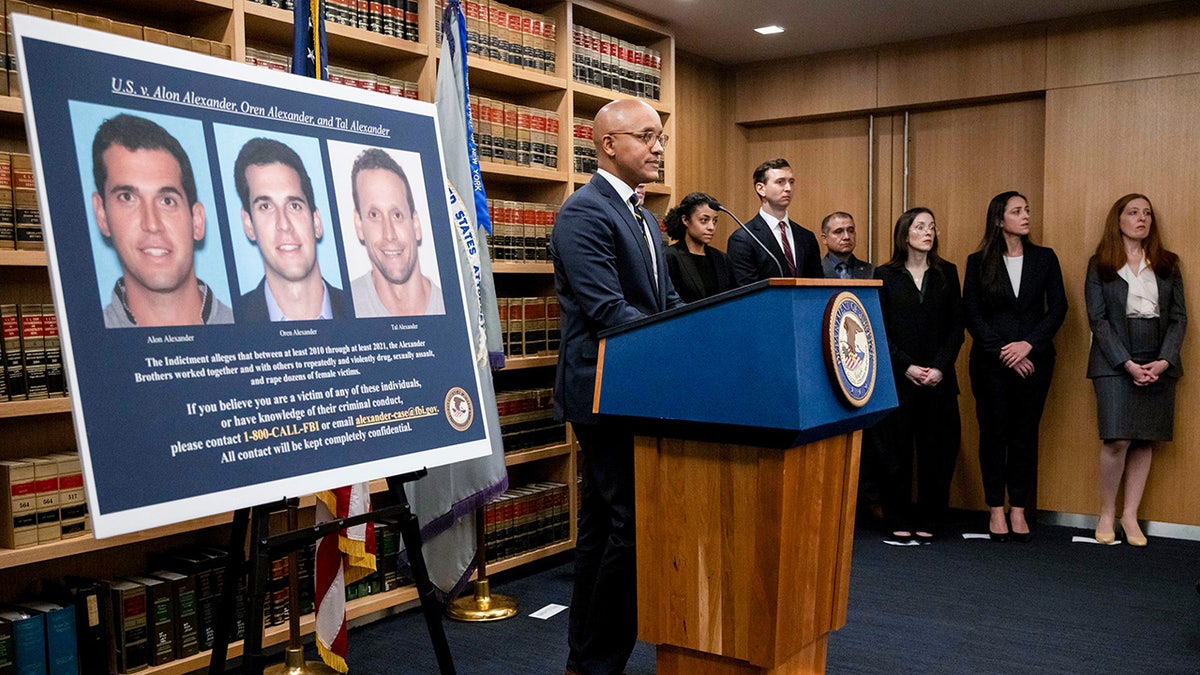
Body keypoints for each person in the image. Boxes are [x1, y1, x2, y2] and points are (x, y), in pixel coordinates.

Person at [549, 98, 681, 675]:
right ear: (608, 143)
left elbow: (663, 301)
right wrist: (678, 335)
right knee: (629, 526)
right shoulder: (584, 212)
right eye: (647, 137)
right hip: (602, 390)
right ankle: (600, 661)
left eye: (661, 138)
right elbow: (609, 311)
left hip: (637, 386)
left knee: (605, 529)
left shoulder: (645, 217)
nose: (658, 148)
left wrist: (700, 328)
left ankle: (587, 660)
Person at [963, 191, 1067, 542]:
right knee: (993, 434)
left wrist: (1028, 346)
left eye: (1027, 210)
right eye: (1017, 211)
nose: (1025, 216)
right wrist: (1006, 352)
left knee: (1024, 434)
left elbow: (1058, 308)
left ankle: (1018, 508)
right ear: (998, 219)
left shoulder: (1045, 258)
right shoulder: (978, 262)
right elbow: (972, 315)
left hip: (1035, 361)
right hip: (991, 363)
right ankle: (995, 509)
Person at [1085, 193, 1185, 547]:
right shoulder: (1100, 264)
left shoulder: (1168, 263)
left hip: (1158, 354)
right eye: (1133, 212)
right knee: (1118, 438)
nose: (1141, 219)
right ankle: (1107, 512)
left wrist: (1164, 360)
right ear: (1119, 220)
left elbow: (1178, 318)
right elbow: (1097, 319)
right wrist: (1126, 362)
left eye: (1147, 213)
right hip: (1114, 358)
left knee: (1144, 439)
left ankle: (1130, 515)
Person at [873, 207, 963, 543]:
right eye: (921, 226)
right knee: (894, 454)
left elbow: (957, 327)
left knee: (937, 452)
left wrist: (939, 367)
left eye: (933, 227)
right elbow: (878, 331)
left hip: (939, 379)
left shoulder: (947, 273)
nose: (929, 232)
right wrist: (906, 366)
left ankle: (929, 517)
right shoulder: (885, 274)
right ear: (904, 234)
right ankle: (896, 516)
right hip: (899, 379)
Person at [91, 114, 233, 328]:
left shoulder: (254, 329)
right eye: (127, 198)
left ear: (197, 221)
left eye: (167, 201)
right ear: (102, 215)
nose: (152, 224)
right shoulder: (88, 346)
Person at [233, 137, 348, 321]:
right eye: (265, 207)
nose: (284, 225)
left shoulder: (360, 311)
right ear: (249, 225)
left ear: (316, 222)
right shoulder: (232, 321)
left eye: (294, 206)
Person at [349, 147, 444, 317]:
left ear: (415, 224)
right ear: (358, 225)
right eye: (374, 215)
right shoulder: (344, 307)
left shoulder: (452, 308)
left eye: (397, 215)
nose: (389, 234)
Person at [727, 158, 822, 284]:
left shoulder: (806, 237)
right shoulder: (743, 239)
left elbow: (816, 284)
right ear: (761, 189)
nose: (788, 188)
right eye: (780, 182)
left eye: (791, 182)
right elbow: (746, 291)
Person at [663, 191, 734, 302]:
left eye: (715, 221)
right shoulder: (670, 257)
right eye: (704, 220)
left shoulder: (722, 258)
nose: (711, 227)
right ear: (685, 220)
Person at [820, 211, 875, 279]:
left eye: (851, 231)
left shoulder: (871, 271)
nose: (847, 237)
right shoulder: (813, 270)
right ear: (825, 239)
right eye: (839, 232)